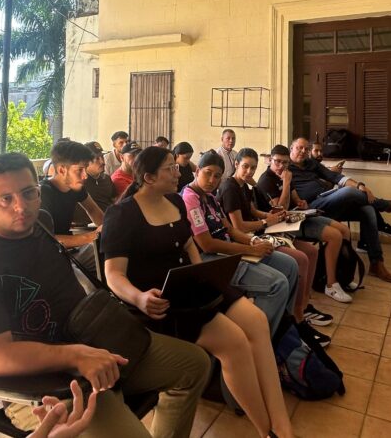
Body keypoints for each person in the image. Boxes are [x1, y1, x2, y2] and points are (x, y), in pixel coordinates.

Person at [0, 152, 211, 438]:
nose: (21, 207)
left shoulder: (41, 225)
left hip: (95, 343)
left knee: (195, 365)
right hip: (48, 387)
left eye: (28, 193)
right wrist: (77, 356)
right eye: (5, 199)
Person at [101, 147, 295, 438]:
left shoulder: (175, 202)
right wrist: (139, 298)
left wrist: (202, 274)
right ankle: (267, 431)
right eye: (171, 168)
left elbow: (189, 243)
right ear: (149, 177)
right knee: (236, 344)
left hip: (193, 285)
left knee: (256, 321)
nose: (179, 172)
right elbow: (113, 274)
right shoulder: (122, 214)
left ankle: (283, 427)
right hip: (163, 302)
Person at [182, 151, 300, 339]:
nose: (212, 180)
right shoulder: (190, 199)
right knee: (277, 284)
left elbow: (230, 229)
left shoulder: (210, 197)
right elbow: (207, 245)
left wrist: (254, 241)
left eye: (217, 176)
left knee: (290, 265)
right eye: (207, 173)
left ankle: (283, 327)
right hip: (210, 259)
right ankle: (262, 342)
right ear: (197, 172)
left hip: (231, 248)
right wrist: (251, 249)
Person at [223, 148, 351, 317]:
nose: (249, 172)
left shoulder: (244, 187)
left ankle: (304, 304)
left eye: (253, 168)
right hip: (252, 237)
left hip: (269, 227)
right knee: (301, 259)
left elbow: (253, 211)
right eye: (245, 167)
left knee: (311, 251)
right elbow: (239, 226)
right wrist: (266, 220)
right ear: (236, 164)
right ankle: (297, 313)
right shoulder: (231, 187)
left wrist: (271, 216)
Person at [280, 138, 391, 283]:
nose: (303, 151)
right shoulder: (284, 167)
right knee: (348, 191)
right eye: (299, 148)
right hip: (311, 208)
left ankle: (376, 263)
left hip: (327, 200)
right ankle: (385, 205)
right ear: (291, 148)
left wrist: (360, 185)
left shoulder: (311, 163)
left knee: (367, 210)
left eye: (306, 149)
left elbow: (335, 177)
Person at [41, 140, 104, 274]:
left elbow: (93, 210)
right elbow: (47, 239)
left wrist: (109, 230)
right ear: (62, 170)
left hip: (70, 252)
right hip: (50, 259)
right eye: (79, 170)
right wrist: (91, 236)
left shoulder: (76, 188)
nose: (85, 176)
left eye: (85, 169)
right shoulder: (43, 193)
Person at [81, 141, 116, 214]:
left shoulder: (106, 178)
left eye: (102, 157)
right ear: (85, 161)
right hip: (87, 224)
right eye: (97, 158)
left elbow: (114, 200)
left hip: (109, 220)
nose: (102, 162)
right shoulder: (79, 181)